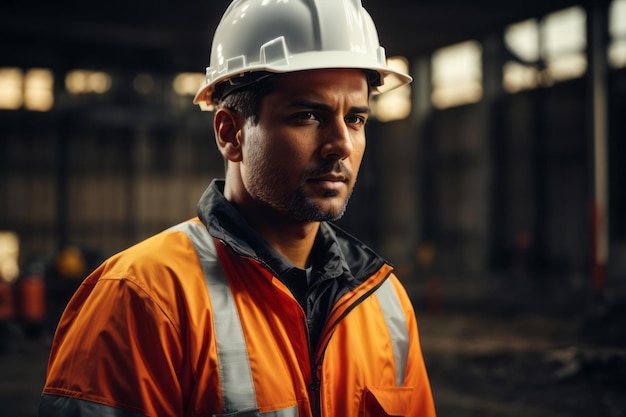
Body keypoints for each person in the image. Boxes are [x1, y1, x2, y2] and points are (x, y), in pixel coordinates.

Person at [38, 0, 437, 416]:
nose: (342, 144)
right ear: (231, 133)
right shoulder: (142, 297)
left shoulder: (385, 301)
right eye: (307, 115)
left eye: (355, 119)